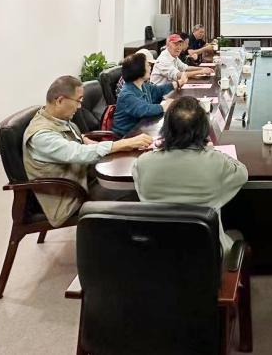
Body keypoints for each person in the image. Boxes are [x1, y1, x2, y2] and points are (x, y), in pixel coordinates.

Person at [23, 75, 153, 226]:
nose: (79, 107)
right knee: (138, 192)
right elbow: (78, 153)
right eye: (78, 101)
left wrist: (86, 140)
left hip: (84, 178)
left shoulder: (55, 118)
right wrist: (122, 144)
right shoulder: (41, 136)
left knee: (138, 182)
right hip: (72, 197)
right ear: (60, 100)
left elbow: (73, 139)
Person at [133, 96, 248, 256]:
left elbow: (140, 188)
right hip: (208, 256)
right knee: (236, 235)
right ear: (204, 129)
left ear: (166, 128)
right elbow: (242, 173)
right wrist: (211, 150)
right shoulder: (215, 162)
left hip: (158, 255)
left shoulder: (143, 163)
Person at [113, 52, 181, 137]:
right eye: (147, 65)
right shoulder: (127, 94)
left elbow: (158, 90)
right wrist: (163, 107)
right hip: (126, 136)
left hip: (141, 129)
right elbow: (144, 109)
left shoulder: (143, 85)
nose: (150, 67)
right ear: (138, 69)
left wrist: (177, 83)